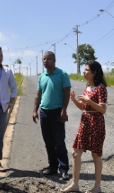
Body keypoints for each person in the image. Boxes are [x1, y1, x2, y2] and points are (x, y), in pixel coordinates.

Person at [61, 61, 107, 193]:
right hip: (85, 121)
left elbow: (103, 110)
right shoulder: (88, 87)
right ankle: (74, 184)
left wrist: (89, 100)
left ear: (94, 73)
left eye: (87, 70)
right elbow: (84, 107)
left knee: (96, 155)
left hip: (96, 123)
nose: (84, 72)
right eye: (84, 69)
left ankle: (97, 187)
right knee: (75, 153)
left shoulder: (101, 88)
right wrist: (75, 100)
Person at [32, 51, 71, 180]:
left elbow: (67, 93)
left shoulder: (62, 74)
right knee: (48, 142)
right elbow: (38, 95)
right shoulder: (42, 77)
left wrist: (64, 110)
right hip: (44, 112)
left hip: (57, 112)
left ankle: (64, 169)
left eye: (48, 59)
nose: (45, 61)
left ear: (54, 60)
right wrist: (34, 110)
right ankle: (52, 167)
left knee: (59, 142)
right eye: (44, 59)